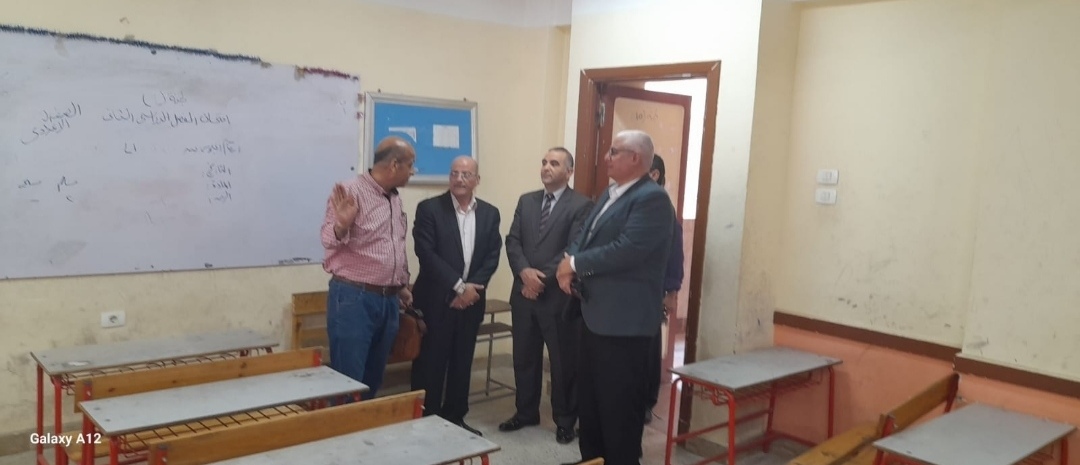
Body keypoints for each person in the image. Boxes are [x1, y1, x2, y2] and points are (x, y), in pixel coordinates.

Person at [556, 130, 674, 465]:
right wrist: (569, 260)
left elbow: (628, 250)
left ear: (635, 158)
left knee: (618, 411)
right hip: (594, 315)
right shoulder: (611, 193)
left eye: (614, 151)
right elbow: (585, 236)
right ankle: (592, 459)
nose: (606, 157)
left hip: (624, 325)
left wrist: (574, 264)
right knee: (591, 406)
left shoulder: (652, 199)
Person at [499, 147, 594, 444]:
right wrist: (524, 272)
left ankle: (565, 421)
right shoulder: (527, 201)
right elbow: (513, 240)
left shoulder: (582, 205)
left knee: (563, 362)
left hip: (558, 296)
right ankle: (526, 412)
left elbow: (574, 247)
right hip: (524, 293)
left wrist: (540, 279)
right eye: (544, 162)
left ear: (569, 171)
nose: (546, 167)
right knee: (524, 357)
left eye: (554, 163)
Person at [411, 155, 502, 436]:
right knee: (431, 363)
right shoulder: (429, 209)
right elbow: (426, 254)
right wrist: (459, 287)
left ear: (477, 180)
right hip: (436, 300)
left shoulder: (490, 213)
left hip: (471, 302)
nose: (459, 179)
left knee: (462, 362)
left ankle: (455, 418)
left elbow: (492, 254)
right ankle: (426, 422)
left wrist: (473, 288)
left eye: (466, 174)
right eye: (454, 173)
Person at [320, 135, 416, 400]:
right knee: (348, 381)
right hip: (354, 299)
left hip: (389, 300)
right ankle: (342, 426)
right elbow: (327, 239)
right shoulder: (349, 191)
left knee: (373, 379)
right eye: (411, 165)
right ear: (394, 165)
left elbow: (394, 244)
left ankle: (364, 424)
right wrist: (342, 225)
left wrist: (401, 285)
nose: (413, 172)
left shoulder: (393, 198)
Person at [644, 154, 684, 424]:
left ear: (654, 174)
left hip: (650, 292)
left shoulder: (661, 206)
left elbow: (675, 252)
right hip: (625, 293)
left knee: (646, 349)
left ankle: (645, 403)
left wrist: (671, 291)